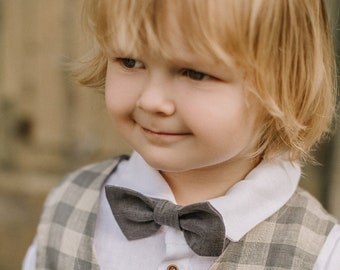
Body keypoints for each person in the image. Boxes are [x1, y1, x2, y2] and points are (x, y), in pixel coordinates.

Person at [23, 0, 340, 269]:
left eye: (194, 72)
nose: (150, 100)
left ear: (285, 85)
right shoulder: (67, 207)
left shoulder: (321, 253)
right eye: (130, 61)